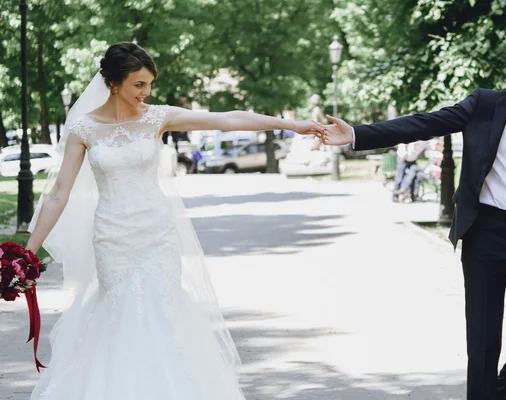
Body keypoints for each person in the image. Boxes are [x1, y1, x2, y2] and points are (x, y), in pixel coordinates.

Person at [25, 42, 321, 399]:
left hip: (156, 232)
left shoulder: (157, 117)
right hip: (112, 236)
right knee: (120, 312)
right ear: (114, 83)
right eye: (139, 84)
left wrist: (291, 125)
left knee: (161, 309)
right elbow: (59, 193)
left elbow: (227, 120)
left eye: (149, 84)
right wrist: (27, 253)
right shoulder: (84, 129)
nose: (146, 92)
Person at [315, 41, 506, 400]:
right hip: (485, 234)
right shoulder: (485, 105)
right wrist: (358, 135)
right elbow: (425, 124)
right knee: (484, 339)